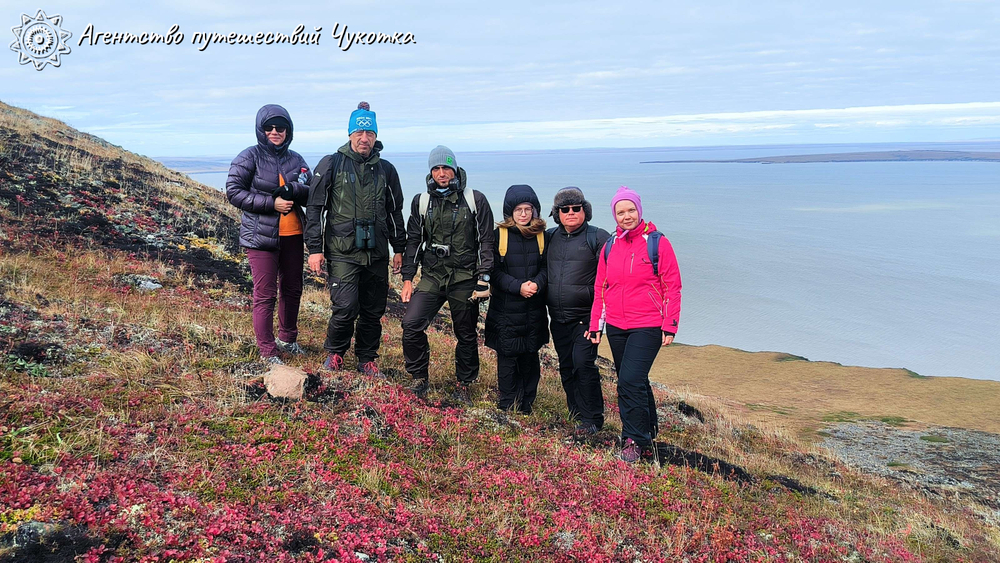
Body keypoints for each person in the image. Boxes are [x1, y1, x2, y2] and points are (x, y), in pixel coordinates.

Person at [304, 102, 406, 376]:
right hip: (342, 251)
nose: (365, 139)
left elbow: (395, 211)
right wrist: (315, 249)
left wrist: (399, 249)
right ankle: (335, 354)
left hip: (376, 252)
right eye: (359, 133)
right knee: (346, 307)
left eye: (370, 133)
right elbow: (314, 208)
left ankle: (366, 359)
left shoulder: (387, 169)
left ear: (375, 136)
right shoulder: (331, 163)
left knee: (373, 310)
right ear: (350, 134)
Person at [588, 186, 682, 463]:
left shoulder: (657, 242)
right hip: (616, 325)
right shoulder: (610, 246)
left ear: (639, 211)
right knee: (634, 380)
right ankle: (649, 428)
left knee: (628, 381)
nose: (626, 216)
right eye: (620, 212)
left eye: (630, 210)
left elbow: (672, 286)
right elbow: (600, 287)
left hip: (648, 324)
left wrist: (670, 324)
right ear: (614, 215)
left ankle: (634, 439)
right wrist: (597, 325)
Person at [400, 146, 495, 403]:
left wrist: (484, 277)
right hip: (432, 276)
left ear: (455, 169)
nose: (442, 173)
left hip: (465, 277)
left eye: (446, 168)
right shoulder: (421, 201)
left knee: (465, 333)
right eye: (437, 168)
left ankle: (464, 384)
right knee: (411, 324)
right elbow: (413, 242)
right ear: (431, 171)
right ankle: (419, 378)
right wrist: (408, 278)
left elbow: (487, 240)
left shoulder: (475, 199)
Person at [226, 104, 311, 364]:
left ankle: (288, 339)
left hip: (294, 235)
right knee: (265, 293)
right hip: (260, 238)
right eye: (269, 127)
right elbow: (233, 191)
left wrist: (293, 190)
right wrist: (270, 204)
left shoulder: (297, 160)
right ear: (260, 130)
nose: (275, 132)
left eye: (281, 127)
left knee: (293, 288)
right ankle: (267, 350)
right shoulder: (248, 156)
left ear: (289, 130)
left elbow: (312, 192)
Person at [545, 187, 611, 436]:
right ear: (557, 213)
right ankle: (577, 414)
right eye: (565, 209)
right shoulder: (550, 237)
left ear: (585, 211)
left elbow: (611, 279)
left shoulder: (598, 237)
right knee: (566, 366)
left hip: (586, 319)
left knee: (584, 365)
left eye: (576, 208)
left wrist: (598, 321)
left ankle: (593, 419)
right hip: (558, 318)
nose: (570, 213)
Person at [485, 185, 549, 414]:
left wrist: (537, 283)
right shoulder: (498, 236)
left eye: (528, 209)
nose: (523, 214)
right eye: (518, 209)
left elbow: (546, 267)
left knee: (531, 359)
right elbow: (493, 272)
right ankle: (507, 405)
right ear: (509, 212)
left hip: (534, 311)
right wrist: (517, 286)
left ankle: (527, 405)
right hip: (505, 311)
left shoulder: (542, 236)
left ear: (535, 210)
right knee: (508, 360)